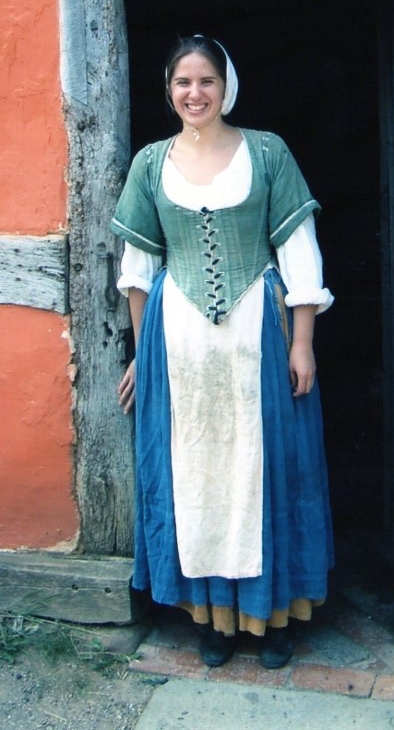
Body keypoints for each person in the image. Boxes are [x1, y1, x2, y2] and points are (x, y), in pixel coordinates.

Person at [111, 34, 334, 670]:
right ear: (169, 90)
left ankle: (271, 619)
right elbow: (137, 270)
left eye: (205, 80)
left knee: (264, 470)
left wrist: (303, 342)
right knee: (196, 472)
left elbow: (299, 252)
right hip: (177, 346)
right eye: (182, 82)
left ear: (226, 85)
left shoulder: (267, 152)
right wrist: (140, 356)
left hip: (256, 338)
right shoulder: (150, 165)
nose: (194, 93)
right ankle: (211, 619)